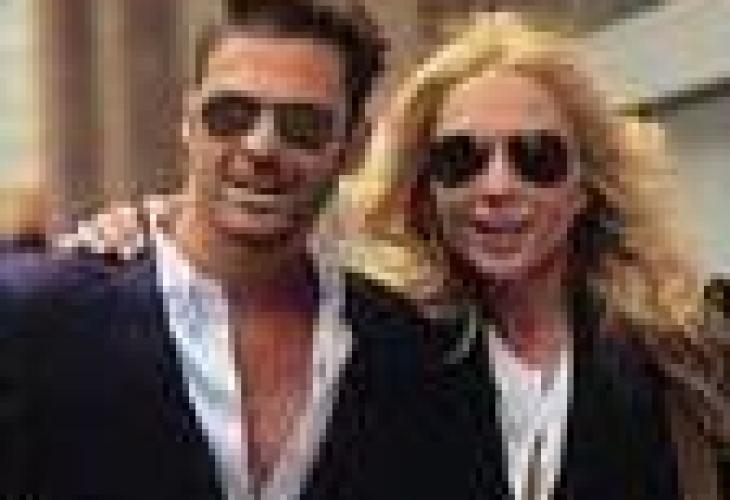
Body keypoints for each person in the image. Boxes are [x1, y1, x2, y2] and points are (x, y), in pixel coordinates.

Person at [0, 1, 452, 498]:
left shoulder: (409, 349)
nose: (261, 146)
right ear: (189, 121)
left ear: (355, 147)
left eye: (303, 125)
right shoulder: (36, 321)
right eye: (230, 115)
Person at [329, 12, 728, 500]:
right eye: (461, 160)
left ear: (585, 186)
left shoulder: (682, 359)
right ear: (425, 189)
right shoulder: (371, 355)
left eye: (536, 157)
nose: (497, 187)